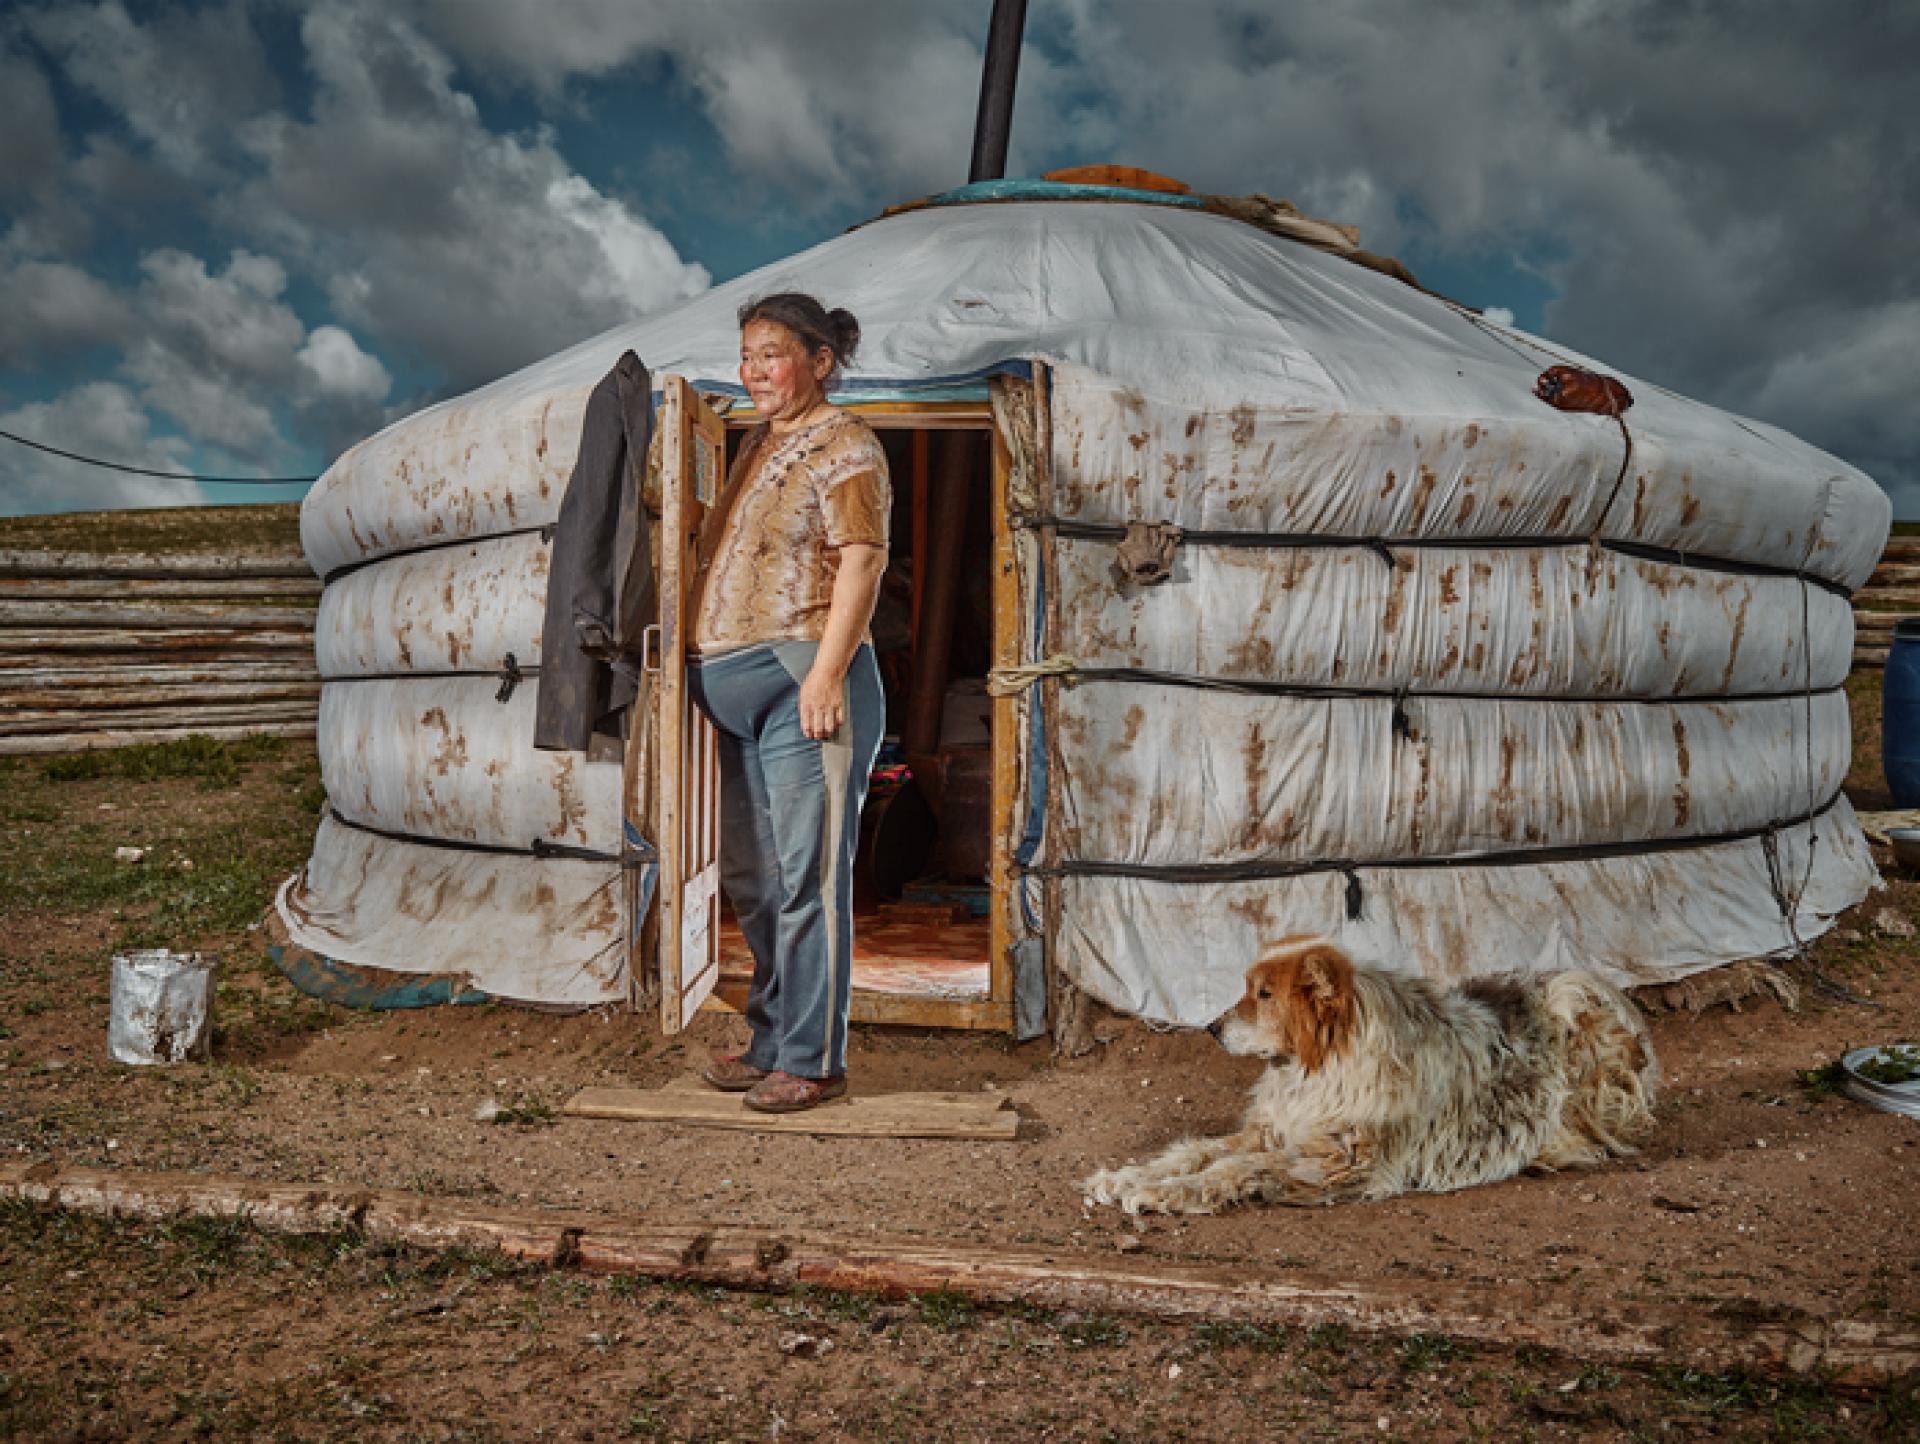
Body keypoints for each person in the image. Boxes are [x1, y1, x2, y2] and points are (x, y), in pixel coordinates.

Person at [687, 293, 890, 1113]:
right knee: (755, 879)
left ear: (819, 360)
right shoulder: (753, 450)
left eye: (771, 354)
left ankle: (812, 1059)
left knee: (808, 878)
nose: (753, 371)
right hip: (735, 692)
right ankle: (770, 1038)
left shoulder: (846, 444)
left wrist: (825, 674)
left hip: (805, 681)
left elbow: (863, 560)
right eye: (746, 357)